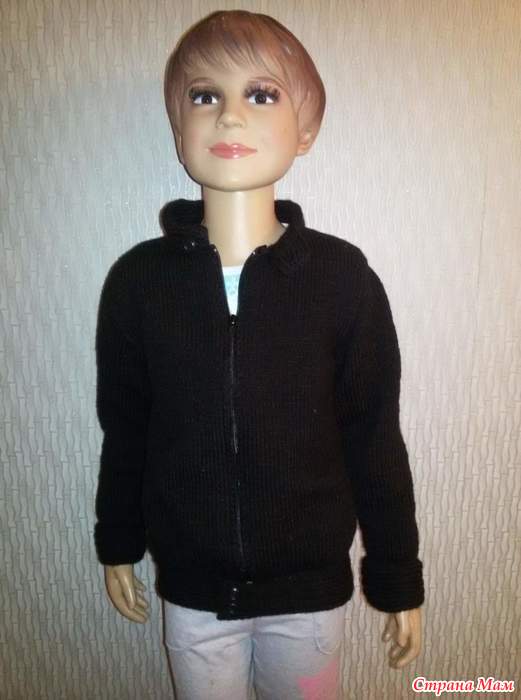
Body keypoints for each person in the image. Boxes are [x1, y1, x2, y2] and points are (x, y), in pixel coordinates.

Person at [93, 9, 425, 699]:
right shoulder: (140, 283)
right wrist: (118, 542)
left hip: (310, 600)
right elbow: (126, 428)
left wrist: (396, 574)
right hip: (194, 595)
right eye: (204, 95)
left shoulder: (340, 279)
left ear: (306, 130)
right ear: (177, 131)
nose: (230, 115)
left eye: (262, 94)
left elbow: (373, 435)